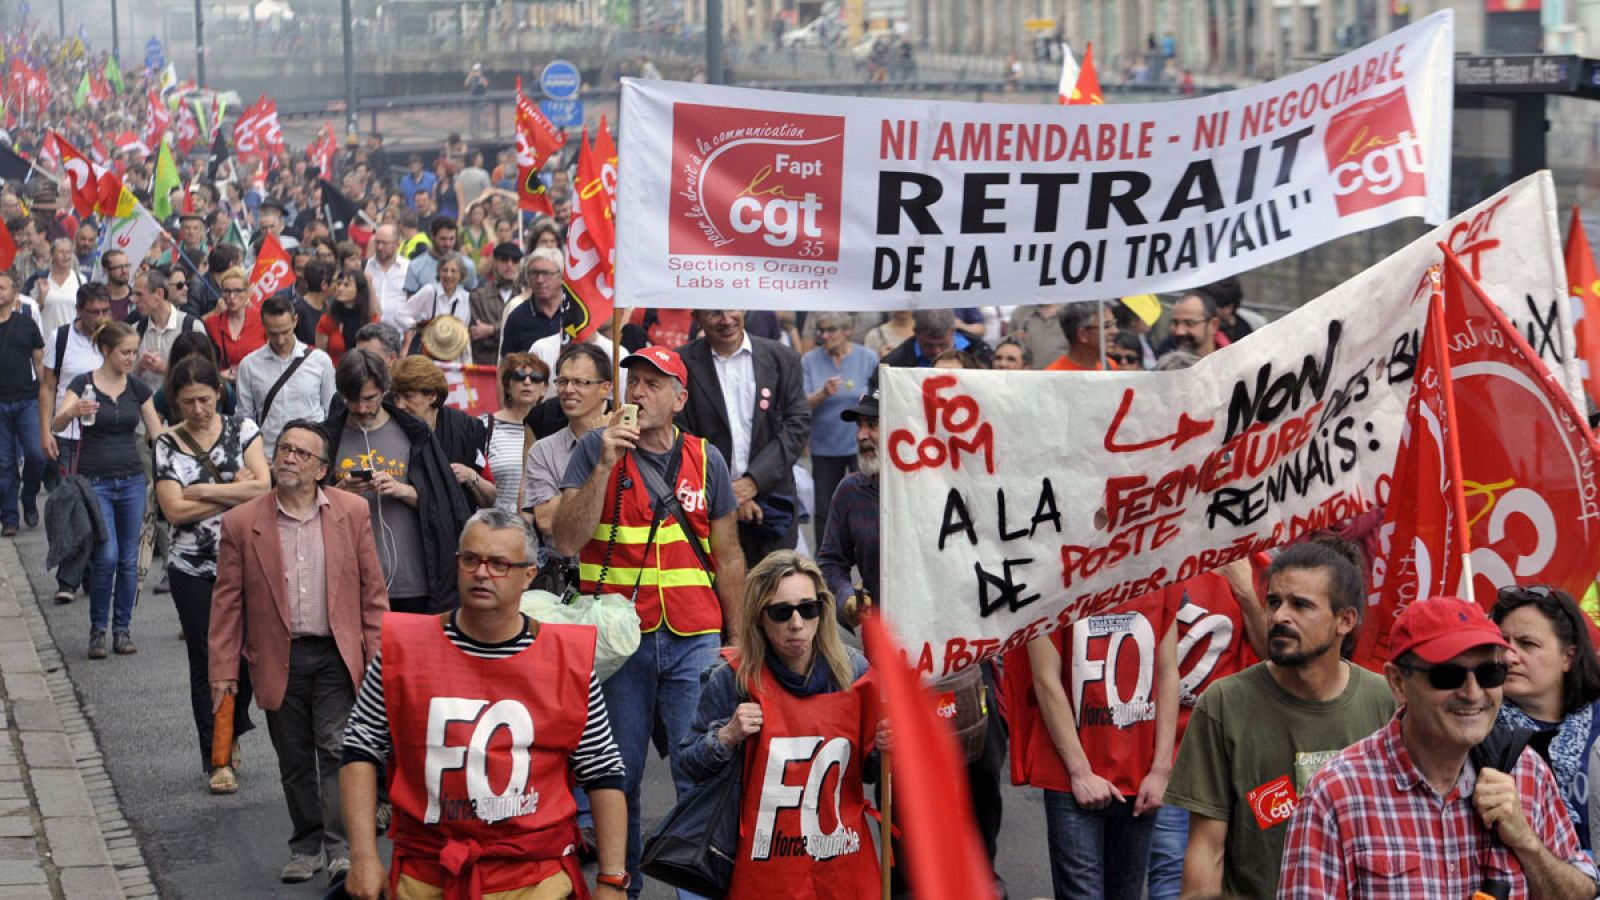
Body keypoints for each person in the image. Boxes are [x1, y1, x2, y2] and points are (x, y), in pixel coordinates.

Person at [339, 509, 629, 900]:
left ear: (529, 575)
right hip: (428, 873)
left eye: (499, 564)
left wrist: (612, 880)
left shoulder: (568, 659)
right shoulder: (402, 647)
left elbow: (602, 769)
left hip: (535, 878)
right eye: (471, 559)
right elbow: (359, 746)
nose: (481, 573)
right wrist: (362, 856)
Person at [550, 345, 748, 898]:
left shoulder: (707, 459)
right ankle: (625, 886)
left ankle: (698, 889)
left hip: (695, 638)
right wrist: (604, 465)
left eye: (654, 383)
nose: (638, 391)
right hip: (619, 643)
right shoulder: (595, 446)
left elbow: (729, 555)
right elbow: (566, 538)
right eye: (633, 380)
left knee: (701, 768)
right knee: (620, 776)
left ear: (679, 398)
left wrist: (736, 640)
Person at [1280, 595, 1600, 898]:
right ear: (1398, 683)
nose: (1473, 694)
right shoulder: (1337, 793)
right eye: (1448, 675)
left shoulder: (1525, 770)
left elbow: (1581, 892)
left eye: (1490, 673)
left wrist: (1528, 844)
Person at [210, 418, 389, 886]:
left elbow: (372, 593)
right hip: (275, 655)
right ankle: (305, 843)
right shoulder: (242, 522)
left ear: (322, 469)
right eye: (284, 448)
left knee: (335, 749)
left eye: (301, 453)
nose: (288, 457)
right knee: (292, 759)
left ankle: (339, 847)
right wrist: (222, 672)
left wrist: (379, 657)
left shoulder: (352, 512)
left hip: (335, 654)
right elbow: (227, 604)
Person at [1164, 541, 1397, 898]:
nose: (1279, 616)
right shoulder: (1225, 703)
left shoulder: (1384, 702)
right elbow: (1206, 849)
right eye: (1274, 602)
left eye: (1300, 605)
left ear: (1345, 620)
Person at [678, 550, 887, 898]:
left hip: (841, 867)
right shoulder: (732, 679)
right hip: (762, 874)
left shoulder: (854, 673)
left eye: (808, 609)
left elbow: (870, 771)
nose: (796, 623)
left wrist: (885, 746)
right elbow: (689, 765)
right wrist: (727, 736)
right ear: (759, 617)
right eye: (781, 612)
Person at [1007, 582, 1179, 900]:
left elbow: (1168, 672)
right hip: (1071, 775)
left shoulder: (1158, 570)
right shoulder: (1049, 577)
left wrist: (1161, 769)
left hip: (1140, 775)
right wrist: (1080, 771)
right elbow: (1045, 680)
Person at [153, 356, 271, 794]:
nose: (197, 410)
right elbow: (173, 510)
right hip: (192, 567)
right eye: (187, 402)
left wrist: (203, 489)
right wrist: (232, 493)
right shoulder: (167, 444)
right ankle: (217, 758)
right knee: (206, 663)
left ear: (218, 393)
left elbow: (263, 486)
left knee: (249, 655)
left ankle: (235, 722)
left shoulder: (243, 430)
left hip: (247, 561)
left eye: (204, 399)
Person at [324, 349, 472, 615]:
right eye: (352, 400)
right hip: (347, 583)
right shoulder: (327, 437)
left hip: (413, 582)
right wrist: (338, 493)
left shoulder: (413, 432)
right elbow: (305, 508)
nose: (361, 408)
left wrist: (403, 490)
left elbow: (448, 506)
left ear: (385, 390)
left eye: (369, 398)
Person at [51, 321, 164, 658]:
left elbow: (156, 432)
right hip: (94, 482)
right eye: (125, 352)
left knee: (128, 560)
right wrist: (73, 411)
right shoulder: (83, 384)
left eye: (134, 351)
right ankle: (98, 630)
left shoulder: (138, 388)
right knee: (108, 556)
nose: (132, 358)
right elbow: (56, 424)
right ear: (105, 351)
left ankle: (122, 629)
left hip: (130, 480)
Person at [677, 309, 811, 567]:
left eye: (731, 309)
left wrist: (753, 482)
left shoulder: (783, 358)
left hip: (771, 510)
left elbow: (797, 425)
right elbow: (681, 436)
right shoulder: (681, 364)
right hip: (708, 509)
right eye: (715, 313)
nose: (726, 320)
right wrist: (727, 492)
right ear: (697, 318)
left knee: (775, 597)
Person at [1492, 585, 1600, 850]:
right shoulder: (1478, 725)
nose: (1509, 656)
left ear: (1568, 657)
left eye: (1527, 643)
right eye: (1502, 643)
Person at [521, 343, 609, 579]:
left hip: (616, 575)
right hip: (564, 576)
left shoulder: (628, 442)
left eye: (580, 382)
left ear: (605, 389)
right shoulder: (544, 450)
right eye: (562, 382)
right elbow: (548, 522)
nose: (568, 390)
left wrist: (569, 505)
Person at [235, 295, 337, 459]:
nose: (280, 340)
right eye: (273, 334)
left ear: (295, 321)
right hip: (269, 457)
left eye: (285, 332)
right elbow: (244, 419)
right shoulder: (248, 365)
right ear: (264, 327)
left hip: (311, 456)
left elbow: (331, 410)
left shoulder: (320, 361)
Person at [802, 312, 875, 535]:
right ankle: (824, 559)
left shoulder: (867, 358)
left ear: (847, 330)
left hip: (861, 444)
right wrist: (822, 394)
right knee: (825, 508)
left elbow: (878, 398)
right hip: (824, 445)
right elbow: (800, 403)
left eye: (830, 330)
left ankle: (866, 548)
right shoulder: (810, 360)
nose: (824, 336)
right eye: (820, 331)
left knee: (865, 503)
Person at [390, 356, 494, 509]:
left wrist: (471, 476)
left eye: (408, 397)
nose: (399, 405)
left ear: (432, 396)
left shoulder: (467, 430)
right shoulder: (390, 428)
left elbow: (490, 498)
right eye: (396, 397)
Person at [0, 270, 45, 536]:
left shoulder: (27, 324)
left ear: (14, 293)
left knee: (36, 455)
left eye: (3, 288)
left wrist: (44, 399)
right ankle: (9, 517)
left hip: (27, 400)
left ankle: (29, 497)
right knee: (4, 463)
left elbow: (39, 364)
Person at [483, 352, 543, 514]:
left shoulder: (552, 428)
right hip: (496, 524)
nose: (527, 382)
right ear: (507, 386)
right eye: (519, 377)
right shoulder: (484, 426)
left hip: (538, 527)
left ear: (544, 388)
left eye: (536, 377)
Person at [131, 268, 204, 390]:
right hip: (145, 404)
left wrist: (167, 369)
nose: (135, 300)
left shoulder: (192, 326)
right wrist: (140, 367)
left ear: (159, 294)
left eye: (139, 294)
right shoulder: (136, 329)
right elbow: (126, 376)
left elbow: (203, 372)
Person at [203, 266, 268, 380]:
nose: (232, 297)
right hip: (227, 387)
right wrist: (219, 375)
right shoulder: (212, 323)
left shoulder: (262, 319)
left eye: (238, 291)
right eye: (227, 291)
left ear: (248, 292)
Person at [499, 248, 566, 356]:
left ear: (560, 276)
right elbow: (508, 365)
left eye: (546, 273)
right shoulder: (517, 319)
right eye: (534, 274)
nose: (539, 280)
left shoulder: (574, 314)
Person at [403, 255, 470, 359]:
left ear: (461, 275)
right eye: (445, 270)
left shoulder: (466, 298)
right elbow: (401, 313)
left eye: (453, 271)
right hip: (426, 353)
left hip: (453, 355)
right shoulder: (429, 291)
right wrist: (418, 326)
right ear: (439, 272)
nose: (448, 275)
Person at [467, 241, 521, 365]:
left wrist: (491, 329)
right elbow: (479, 336)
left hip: (516, 367)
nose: (509, 265)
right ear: (495, 263)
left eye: (515, 261)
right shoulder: (478, 296)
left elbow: (523, 332)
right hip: (485, 366)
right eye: (504, 260)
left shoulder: (525, 296)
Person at [402, 216, 477, 297]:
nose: (448, 244)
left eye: (451, 239)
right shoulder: (415, 266)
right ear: (432, 237)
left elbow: (473, 299)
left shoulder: (468, 266)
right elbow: (410, 304)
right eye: (443, 239)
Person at [315, 269, 377, 366]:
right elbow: (319, 357)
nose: (340, 288)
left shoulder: (371, 320)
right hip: (334, 375)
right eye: (339, 284)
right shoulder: (327, 320)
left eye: (346, 285)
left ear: (359, 289)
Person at [1045, 301, 1120, 371]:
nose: (1115, 331)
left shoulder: (1109, 365)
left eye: (1114, 324)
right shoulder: (1053, 376)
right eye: (1106, 326)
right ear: (1083, 334)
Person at [36, 238, 84, 338]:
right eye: (61, 252)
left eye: (68, 252)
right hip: (47, 338)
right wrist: (42, 297)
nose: (65, 256)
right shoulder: (40, 279)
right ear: (52, 255)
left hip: (72, 339)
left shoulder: (81, 280)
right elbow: (33, 312)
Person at [363, 224, 409, 328]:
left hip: (399, 334)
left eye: (384, 243)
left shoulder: (408, 269)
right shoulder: (366, 266)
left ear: (397, 244)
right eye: (377, 242)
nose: (379, 247)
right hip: (370, 332)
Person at [1165, 290, 1223, 358]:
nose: (1179, 332)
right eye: (1175, 323)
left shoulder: (1233, 364)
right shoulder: (1164, 365)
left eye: (1189, 323)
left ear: (1213, 325)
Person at [293, 258, 335, 346]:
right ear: (324, 285)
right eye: (335, 281)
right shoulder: (298, 310)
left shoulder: (328, 306)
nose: (339, 286)